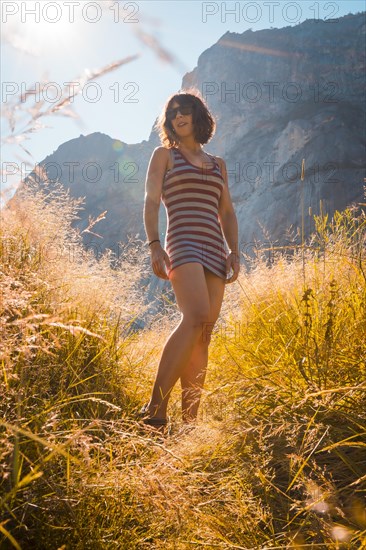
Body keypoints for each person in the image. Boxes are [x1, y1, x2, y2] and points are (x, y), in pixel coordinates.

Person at [142, 89, 240, 430]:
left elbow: (226, 211)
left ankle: (189, 424)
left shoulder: (218, 165)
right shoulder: (164, 156)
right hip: (181, 243)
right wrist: (155, 244)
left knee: (204, 333)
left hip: (215, 248)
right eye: (172, 113)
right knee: (195, 315)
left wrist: (234, 250)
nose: (178, 116)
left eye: (185, 110)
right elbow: (152, 202)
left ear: (198, 116)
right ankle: (154, 409)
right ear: (168, 122)